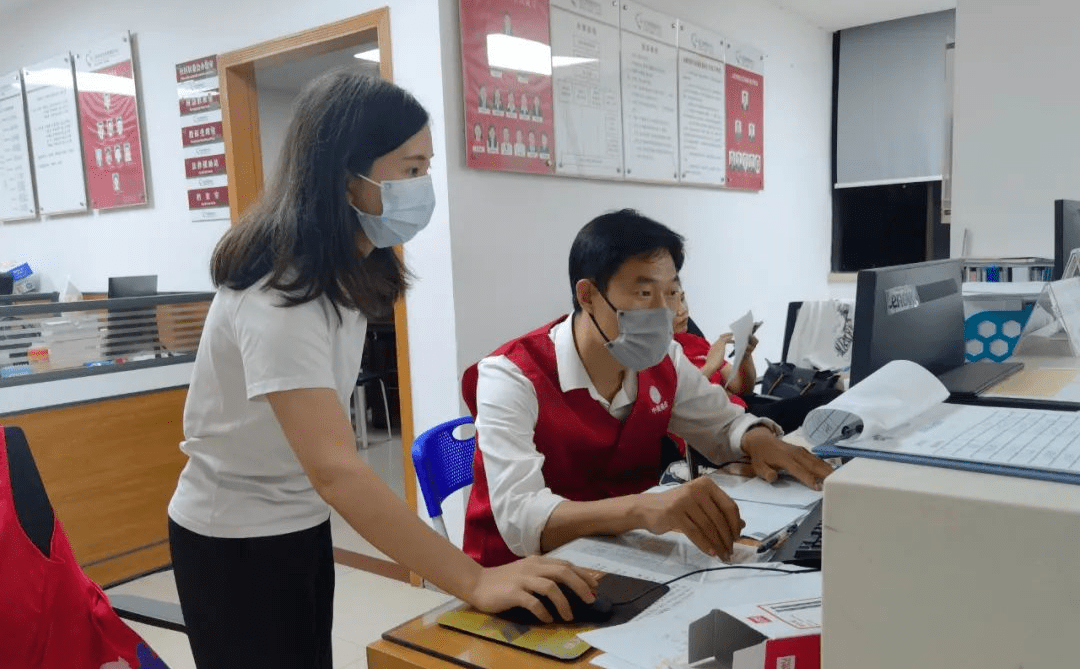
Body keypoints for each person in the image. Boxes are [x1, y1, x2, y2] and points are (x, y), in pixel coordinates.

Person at [167, 68, 597, 669]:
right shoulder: (278, 294)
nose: (424, 187)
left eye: (426, 168)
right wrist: (474, 580)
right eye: (411, 169)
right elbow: (338, 472)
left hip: (297, 520)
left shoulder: (347, 269)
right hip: (233, 536)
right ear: (346, 179)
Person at [461, 209, 833, 568]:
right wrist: (646, 509)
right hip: (519, 577)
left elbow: (722, 423)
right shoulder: (511, 375)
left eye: (671, 293)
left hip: (621, 559)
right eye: (643, 294)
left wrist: (759, 440)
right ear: (588, 295)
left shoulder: (663, 360)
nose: (663, 312)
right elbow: (520, 518)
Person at [673, 289, 843, 433]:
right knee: (829, 406)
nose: (683, 310)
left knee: (835, 399)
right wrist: (710, 366)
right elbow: (674, 401)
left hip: (744, 411)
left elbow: (742, 388)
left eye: (683, 299)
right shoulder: (664, 356)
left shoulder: (693, 340)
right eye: (672, 305)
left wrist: (744, 355)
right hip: (723, 427)